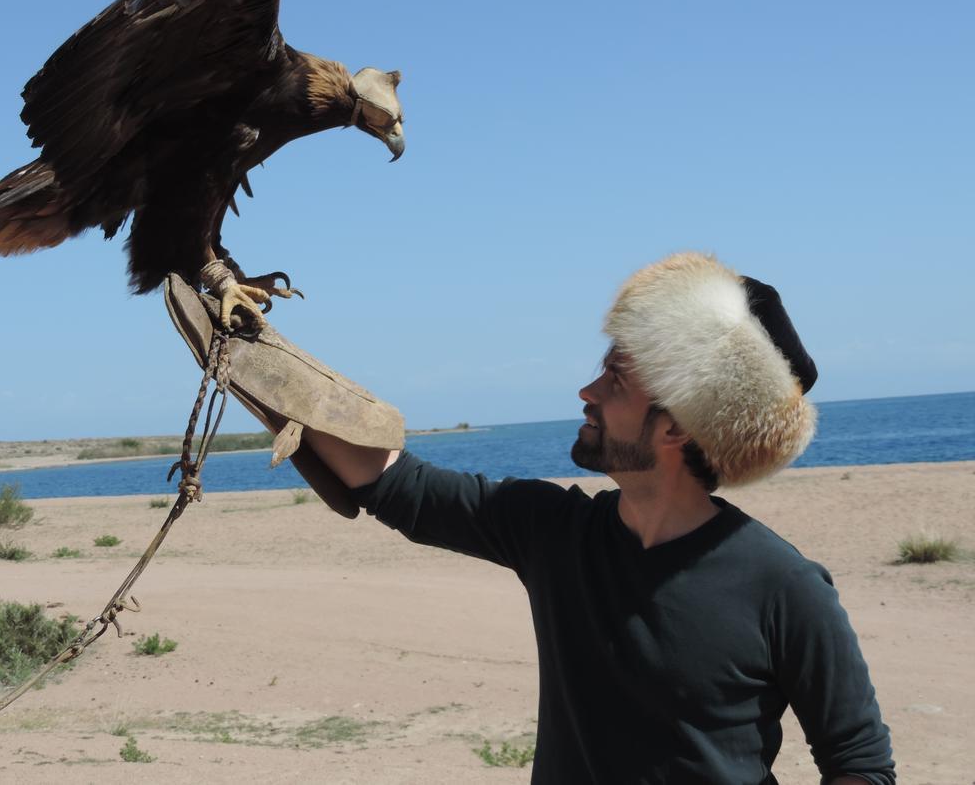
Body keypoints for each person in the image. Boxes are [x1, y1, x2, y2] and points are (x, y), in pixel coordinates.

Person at [296, 252, 895, 784]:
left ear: (677, 426)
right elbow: (397, 484)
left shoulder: (782, 585)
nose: (587, 390)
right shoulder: (553, 530)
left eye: (616, 378)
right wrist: (261, 357)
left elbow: (860, 763)